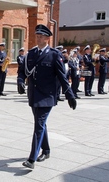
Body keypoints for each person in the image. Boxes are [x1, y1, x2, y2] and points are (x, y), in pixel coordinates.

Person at [17, 24, 77, 169]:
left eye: (41, 36)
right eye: (37, 35)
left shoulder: (54, 55)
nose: (38, 38)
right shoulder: (30, 54)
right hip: (33, 95)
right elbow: (22, 71)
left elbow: (62, 77)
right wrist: (20, 81)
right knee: (41, 124)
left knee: (38, 125)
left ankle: (31, 159)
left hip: (47, 96)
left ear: (48, 38)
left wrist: (69, 94)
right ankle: (47, 150)